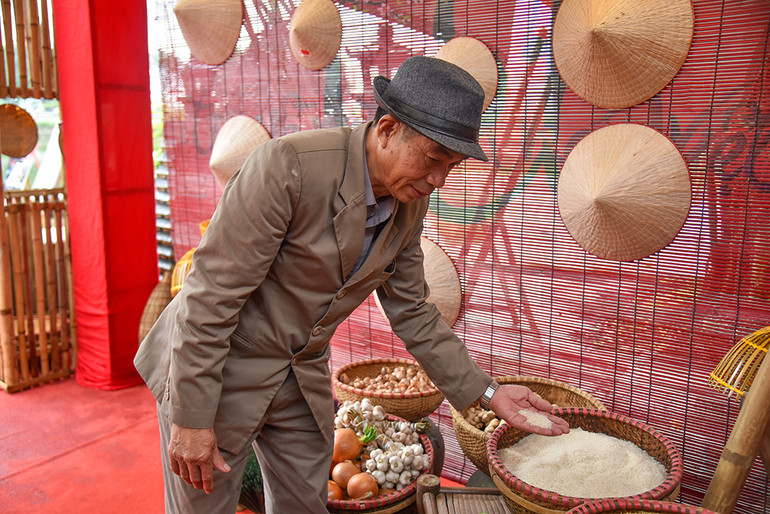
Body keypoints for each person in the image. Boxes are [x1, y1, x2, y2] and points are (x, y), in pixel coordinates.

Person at [134, 55, 569, 514]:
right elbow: (209, 300)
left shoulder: (408, 201)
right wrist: (191, 418)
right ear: (386, 130)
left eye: (453, 165)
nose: (438, 180)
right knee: (202, 507)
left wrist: (487, 393)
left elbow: (415, 311)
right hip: (219, 367)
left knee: (306, 503)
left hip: (299, 373)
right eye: (433, 158)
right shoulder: (287, 168)